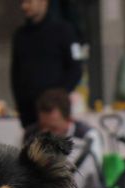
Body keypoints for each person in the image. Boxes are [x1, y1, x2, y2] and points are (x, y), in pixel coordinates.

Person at [11, 0, 85, 128]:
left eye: (29, 1)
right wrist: (21, 104)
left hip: (55, 114)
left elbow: (76, 69)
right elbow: (15, 74)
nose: (24, 6)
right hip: (29, 115)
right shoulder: (20, 35)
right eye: (22, 2)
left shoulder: (64, 31)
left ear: (43, 2)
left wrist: (58, 98)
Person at [24, 88, 104, 188]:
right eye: (42, 126)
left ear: (69, 119)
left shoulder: (88, 137)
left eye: (53, 128)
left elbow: (93, 177)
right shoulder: (30, 135)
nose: (46, 133)